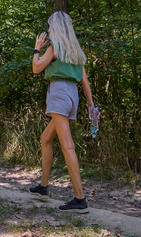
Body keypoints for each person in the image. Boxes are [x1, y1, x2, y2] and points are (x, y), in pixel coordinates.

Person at [29, 11, 96, 213]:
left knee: (68, 146)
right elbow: (84, 80)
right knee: (45, 138)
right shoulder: (75, 49)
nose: (49, 29)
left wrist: (36, 49)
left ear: (55, 27)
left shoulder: (54, 47)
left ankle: (80, 199)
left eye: (50, 25)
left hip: (58, 93)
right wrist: (91, 106)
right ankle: (43, 187)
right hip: (72, 95)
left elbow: (36, 68)